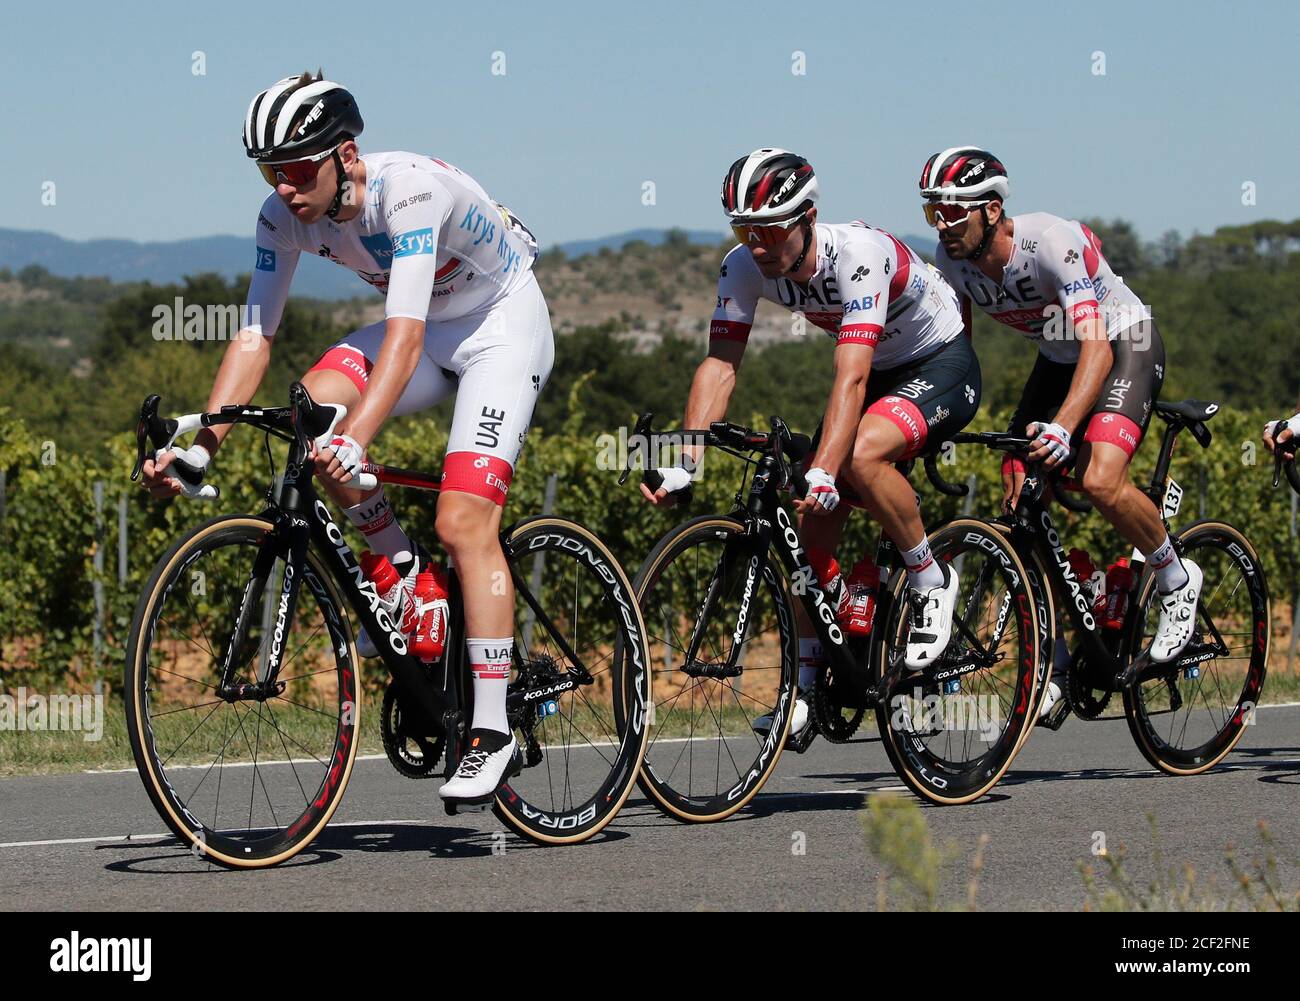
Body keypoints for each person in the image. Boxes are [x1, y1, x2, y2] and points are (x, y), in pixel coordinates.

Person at [140, 71, 553, 805]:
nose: (286, 187)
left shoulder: (408, 193)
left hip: (497, 326)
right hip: (425, 331)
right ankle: (404, 576)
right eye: (272, 171)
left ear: (346, 154)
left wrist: (358, 438)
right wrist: (203, 446)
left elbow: (404, 334)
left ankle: (492, 729)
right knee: (310, 412)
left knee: (462, 519)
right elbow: (255, 336)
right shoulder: (281, 217)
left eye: (299, 168)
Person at [644, 148, 981, 745]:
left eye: (769, 230)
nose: (758, 246)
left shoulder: (858, 257)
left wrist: (825, 469)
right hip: (874, 372)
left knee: (852, 458)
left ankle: (931, 578)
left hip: (938, 361)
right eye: (744, 231)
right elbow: (721, 364)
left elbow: (850, 376)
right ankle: (803, 689)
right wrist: (686, 460)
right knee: (804, 531)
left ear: (806, 218)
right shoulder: (743, 267)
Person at [919, 147, 1201, 714]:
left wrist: (1066, 428)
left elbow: (1097, 348)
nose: (943, 226)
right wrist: (939, 418)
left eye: (955, 212)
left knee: (1099, 478)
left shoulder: (1051, 243)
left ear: (993, 210)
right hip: (1059, 356)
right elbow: (956, 352)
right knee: (1019, 485)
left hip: (1124, 342)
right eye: (933, 213)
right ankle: (1056, 653)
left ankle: (1177, 577)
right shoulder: (952, 263)